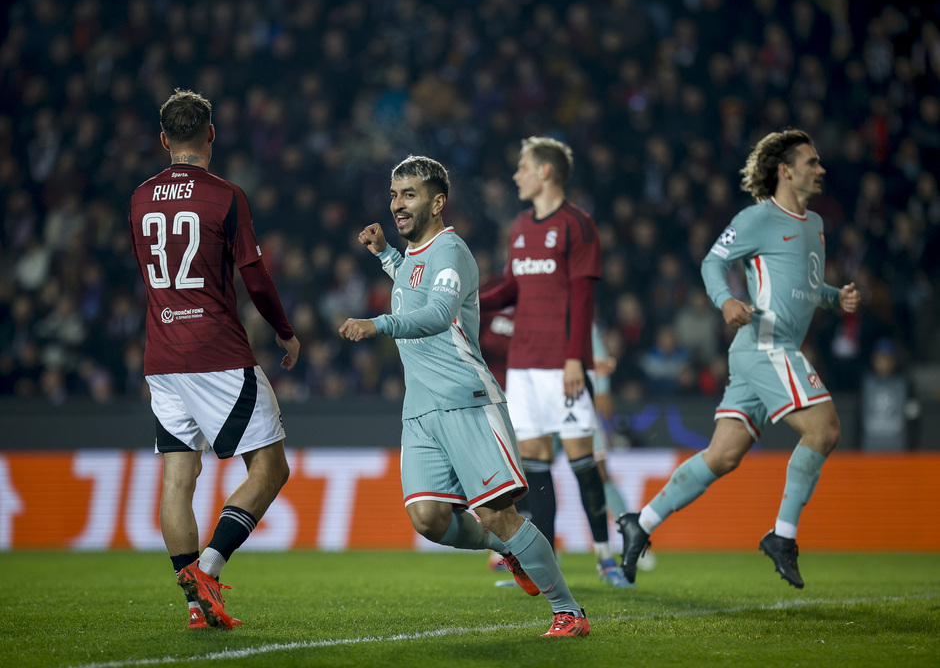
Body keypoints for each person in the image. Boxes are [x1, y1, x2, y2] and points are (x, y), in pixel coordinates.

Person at [338, 155, 589, 637]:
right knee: (428, 518)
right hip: (420, 411)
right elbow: (413, 287)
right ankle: (508, 550)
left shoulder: (451, 251)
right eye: (393, 195)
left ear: (438, 203)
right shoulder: (414, 255)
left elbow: (435, 312)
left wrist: (378, 323)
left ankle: (569, 610)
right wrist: (385, 254)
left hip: (466, 400)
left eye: (408, 194)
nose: (397, 205)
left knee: (498, 513)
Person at [618, 129, 861, 589]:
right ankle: (783, 536)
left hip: (760, 352)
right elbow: (712, 262)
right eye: (812, 162)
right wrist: (725, 300)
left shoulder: (815, 224)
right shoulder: (757, 218)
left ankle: (641, 522)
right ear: (785, 170)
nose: (821, 169)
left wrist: (835, 298)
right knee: (824, 429)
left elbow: (805, 287)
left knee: (723, 455)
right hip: (766, 342)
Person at [129, 89, 300, 629]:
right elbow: (255, 275)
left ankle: (195, 610)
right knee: (271, 467)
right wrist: (284, 331)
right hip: (217, 351)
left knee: (178, 480)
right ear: (210, 134)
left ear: (163, 140)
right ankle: (208, 568)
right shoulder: (226, 196)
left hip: (161, 357)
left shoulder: (139, 198)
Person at [479, 137, 628, 587]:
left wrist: (574, 361)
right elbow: (511, 288)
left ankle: (606, 560)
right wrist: (469, 303)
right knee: (536, 469)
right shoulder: (520, 227)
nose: (516, 175)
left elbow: (583, 300)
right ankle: (547, 567)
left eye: (522, 166)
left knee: (585, 465)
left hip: (560, 366)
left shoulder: (577, 226)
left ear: (545, 171)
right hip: (523, 368)